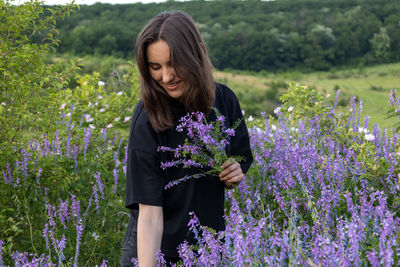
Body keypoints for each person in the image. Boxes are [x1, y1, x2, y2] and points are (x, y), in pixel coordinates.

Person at [121, 10, 253, 267]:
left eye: (173, 64)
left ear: (195, 54)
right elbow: (149, 216)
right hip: (154, 252)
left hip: (209, 249)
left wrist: (234, 173)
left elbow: (240, 157)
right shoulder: (148, 116)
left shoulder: (224, 101)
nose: (166, 77)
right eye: (155, 67)